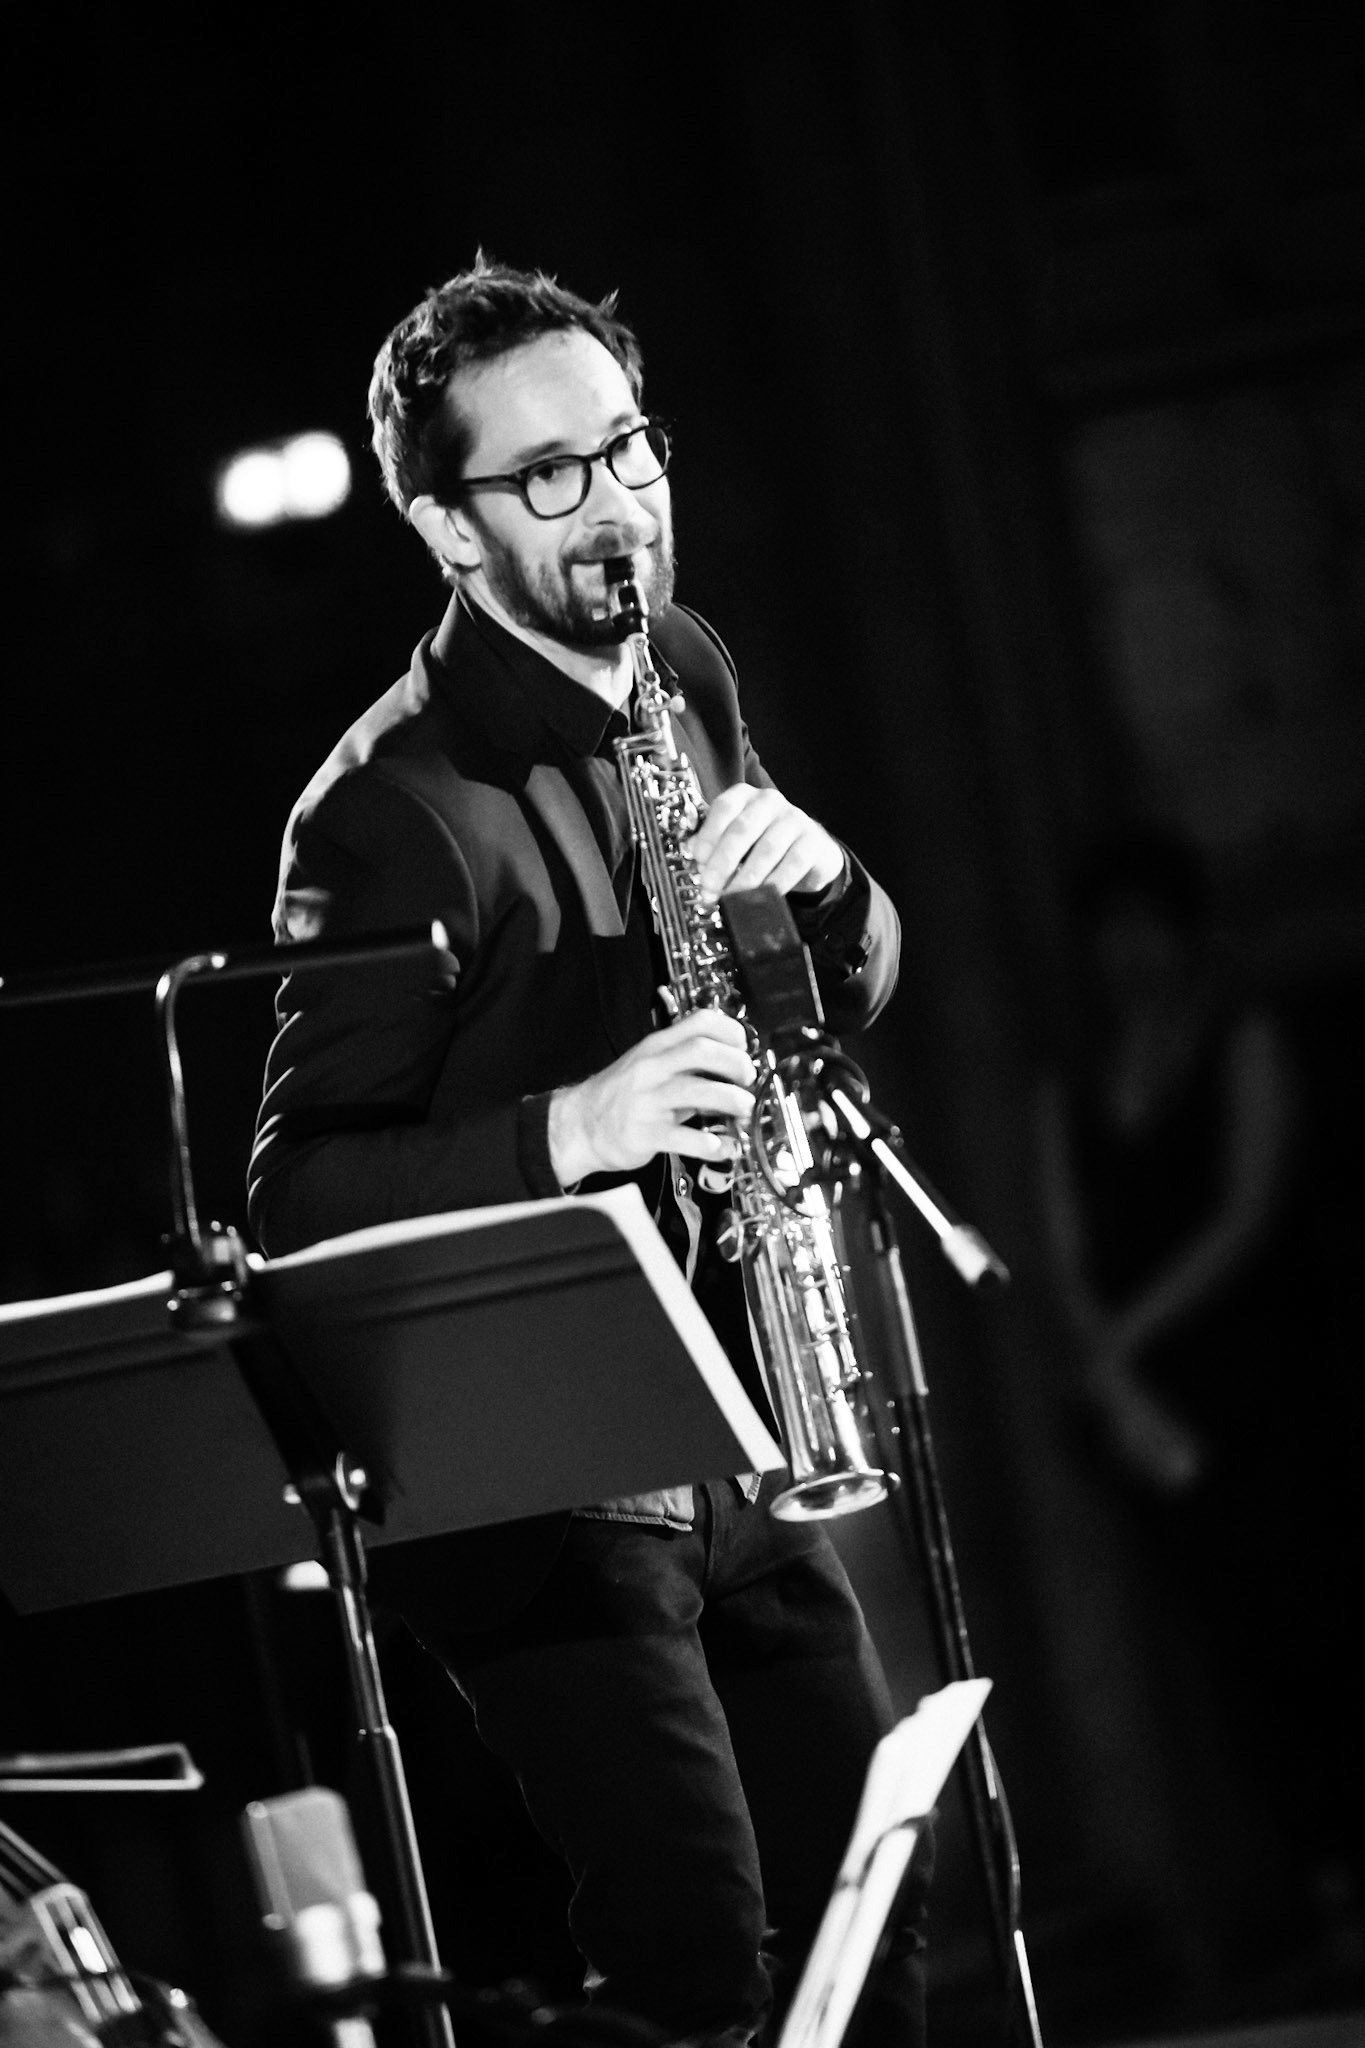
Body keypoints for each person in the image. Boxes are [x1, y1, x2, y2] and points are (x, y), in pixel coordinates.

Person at [248, 258, 924, 2048]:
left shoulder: (678, 665)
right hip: (546, 1486)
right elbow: (293, 1198)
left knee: (886, 1925)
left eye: (626, 447)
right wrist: (574, 1124)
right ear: (442, 527)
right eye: (545, 473)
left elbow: (821, 995)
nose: (614, 499)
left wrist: (830, 889)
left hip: (737, 1410)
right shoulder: (386, 811)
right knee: (705, 1975)